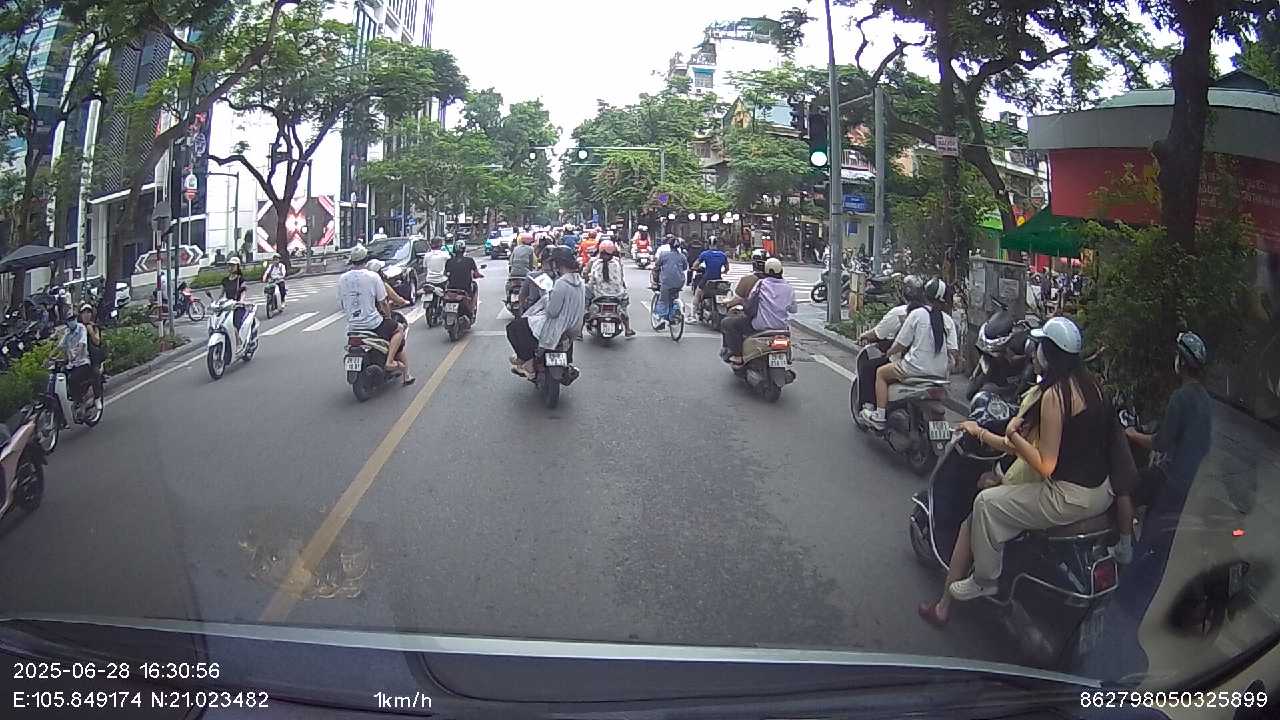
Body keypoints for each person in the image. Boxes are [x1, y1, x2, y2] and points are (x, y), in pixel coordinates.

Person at [949, 316, 1116, 601]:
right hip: (1101, 490)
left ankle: (984, 579)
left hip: (1069, 496)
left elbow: (1045, 464)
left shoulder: (1055, 396)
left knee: (985, 503)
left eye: (1039, 347)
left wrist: (1012, 436)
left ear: (1048, 354)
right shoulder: (1091, 385)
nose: (1033, 353)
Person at [860, 278, 959, 430]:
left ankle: (879, 415)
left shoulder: (917, 314)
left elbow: (901, 344)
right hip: (940, 375)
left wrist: (888, 353)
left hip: (913, 369)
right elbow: (954, 352)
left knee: (880, 373)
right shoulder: (948, 321)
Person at [507, 246, 586, 378]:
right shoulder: (580, 282)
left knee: (513, 327)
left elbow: (551, 312)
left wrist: (545, 294)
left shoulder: (561, 283)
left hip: (554, 326)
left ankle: (527, 362)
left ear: (556, 263)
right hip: (572, 327)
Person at [339, 246, 413, 384]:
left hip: (352, 326)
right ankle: (390, 362)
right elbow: (383, 302)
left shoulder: (343, 278)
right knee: (399, 329)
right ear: (365, 260)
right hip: (373, 324)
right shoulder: (373, 277)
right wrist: (388, 317)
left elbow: (343, 303)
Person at [854, 275, 925, 411]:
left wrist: (865, 337)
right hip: (932, 367)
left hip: (909, 364)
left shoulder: (901, 313)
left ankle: (874, 408)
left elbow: (881, 335)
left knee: (871, 369)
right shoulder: (934, 315)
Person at [719, 257, 796, 363]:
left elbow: (750, 300)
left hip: (759, 325)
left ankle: (738, 355)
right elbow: (793, 309)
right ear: (781, 271)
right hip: (781, 327)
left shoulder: (761, 284)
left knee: (728, 323)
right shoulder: (789, 288)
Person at [585, 239, 636, 338]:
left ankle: (581, 327)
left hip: (599, 295)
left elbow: (591, 281)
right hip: (617, 295)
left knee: (585, 295)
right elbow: (621, 278)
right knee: (623, 308)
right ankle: (628, 329)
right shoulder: (617, 262)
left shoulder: (595, 262)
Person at [56, 305, 102, 410]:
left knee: (95, 373)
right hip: (75, 359)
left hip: (92, 357)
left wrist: (90, 331)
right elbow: (62, 343)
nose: (86, 315)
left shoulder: (93, 326)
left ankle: (97, 398)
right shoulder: (75, 328)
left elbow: (97, 342)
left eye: (88, 312)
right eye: (84, 312)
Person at [653, 236, 687, 330]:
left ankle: (662, 318)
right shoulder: (682, 256)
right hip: (680, 282)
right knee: (675, 296)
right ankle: (674, 315)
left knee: (663, 300)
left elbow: (657, 266)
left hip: (666, 282)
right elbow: (685, 267)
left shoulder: (663, 255)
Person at [689, 237, 729, 318]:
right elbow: (727, 268)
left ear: (708, 244)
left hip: (707, 279)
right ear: (717, 244)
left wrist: (694, 268)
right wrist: (724, 272)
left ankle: (693, 314)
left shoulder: (705, 254)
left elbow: (695, 264)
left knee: (697, 293)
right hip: (718, 279)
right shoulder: (722, 254)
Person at [444, 240, 483, 319]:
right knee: (474, 287)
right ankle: (471, 309)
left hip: (451, 288)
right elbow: (476, 274)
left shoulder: (449, 261)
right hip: (465, 289)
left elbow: (445, 274)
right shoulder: (470, 260)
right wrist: (479, 275)